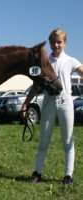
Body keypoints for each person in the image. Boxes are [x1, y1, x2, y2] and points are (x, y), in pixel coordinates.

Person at [21, 28, 83, 185]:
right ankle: (37, 172)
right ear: (49, 43)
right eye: (53, 42)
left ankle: (68, 175)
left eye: (59, 42)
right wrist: (26, 103)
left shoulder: (71, 60)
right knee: (43, 140)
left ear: (65, 43)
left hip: (66, 103)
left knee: (67, 141)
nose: (56, 45)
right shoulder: (45, 62)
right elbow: (36, 86)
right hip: (48, 102)